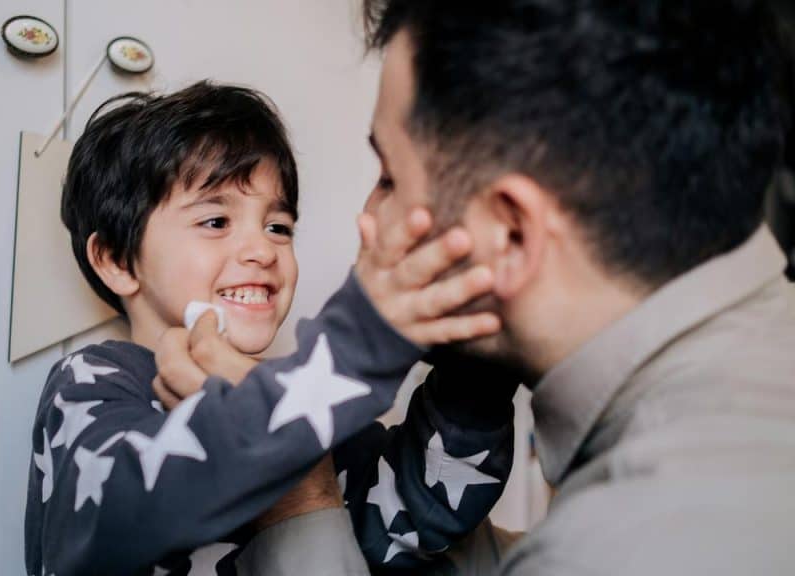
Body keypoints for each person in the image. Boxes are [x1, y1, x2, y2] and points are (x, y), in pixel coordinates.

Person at [156, 1, 795, 574]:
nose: (367, 221)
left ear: (511, 234)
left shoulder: (618, 542)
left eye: (389, 179)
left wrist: (292, 487)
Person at [24, 81, 516, 576]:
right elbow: (118, 510)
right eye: (216, 221)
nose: (263, 250)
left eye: (278, 227)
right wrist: (355, 349)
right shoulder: (94, 381)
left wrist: (476, 369)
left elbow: (417, 519)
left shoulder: (306, 409)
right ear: (115, 260)